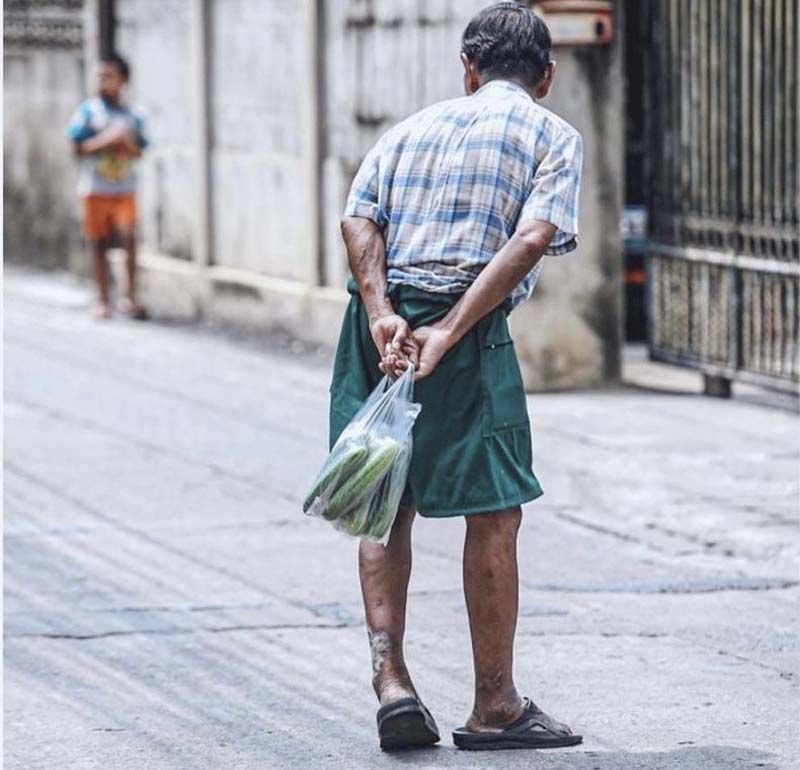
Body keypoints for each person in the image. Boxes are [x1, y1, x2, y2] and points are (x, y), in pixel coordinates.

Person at [332, 2, 584, 752]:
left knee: (381, 497)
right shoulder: (552, 134)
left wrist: (382, 312)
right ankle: (495, 705)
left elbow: (358, 218)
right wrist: (449, 329)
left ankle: (393, 684)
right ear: (546, 75)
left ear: (469, 70)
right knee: (496, 512)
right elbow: (532, 238)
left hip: (379, 328)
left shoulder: (411, 128)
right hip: (464, 328)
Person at [67, 53, 149, 320]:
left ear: (122, 80)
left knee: (129, 239)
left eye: (108, 76)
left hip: (124, 188)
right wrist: (105, 141)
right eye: (100, 76)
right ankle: (102, 300)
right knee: (99, 243)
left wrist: (126, 145)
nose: (102, 81)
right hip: (95, 188)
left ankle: (130, 297)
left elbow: (141, 150)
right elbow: (77, 148)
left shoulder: (132, 114)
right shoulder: (88, 112)